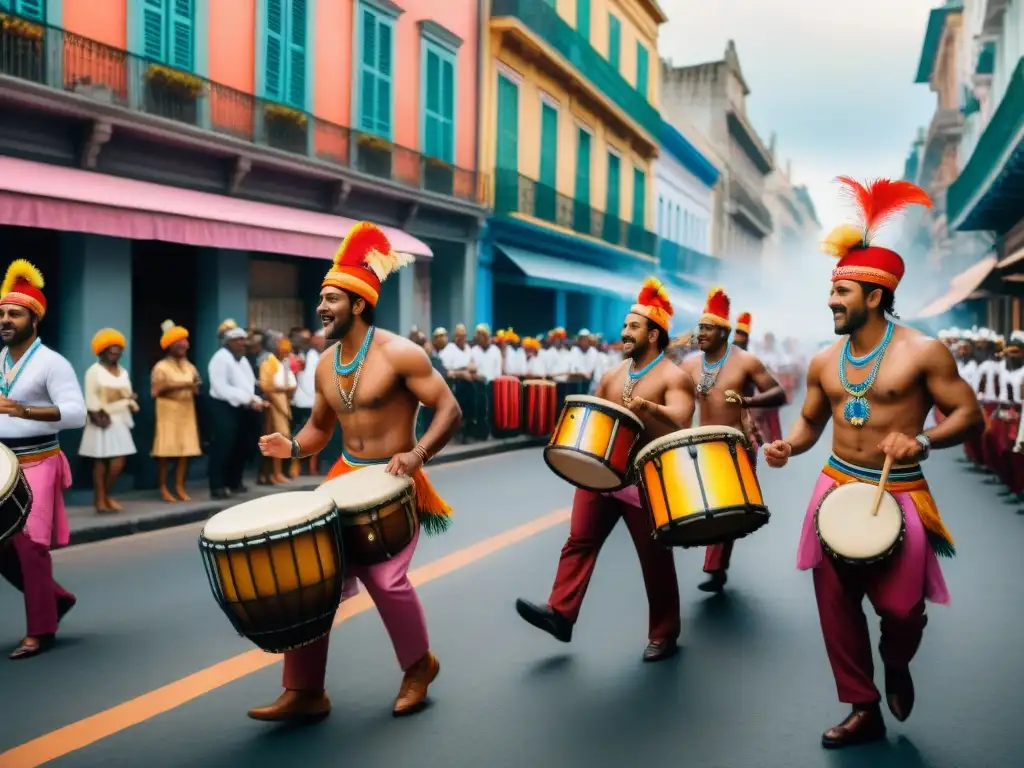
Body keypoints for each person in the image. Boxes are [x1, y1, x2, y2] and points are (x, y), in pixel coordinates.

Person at [762, 176, 983, 749]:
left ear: (875, 296)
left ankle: (898, 660)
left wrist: (925, 441)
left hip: (901, 492)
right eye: (832, 293)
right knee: (835, 606)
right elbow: (811, 420)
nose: (832, 302)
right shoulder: (822, 361)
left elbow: (969, 415)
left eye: (842, 294)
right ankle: (863, 707)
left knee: (901, 610)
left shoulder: (922, 352)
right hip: (835, 487)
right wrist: (791, 444)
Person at [254, 221, 462, 720]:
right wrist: (291, 446)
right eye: (321, 300)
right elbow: (319, 432)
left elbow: (449, 410)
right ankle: (305, 690)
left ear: (359, 304)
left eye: (330, 300)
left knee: (385, 580)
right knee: (313, 580)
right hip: (343, 478)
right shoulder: (325, 364)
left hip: (394, 481)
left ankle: (418, 667)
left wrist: (417, 457)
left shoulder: (400, 354)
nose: (320, 308)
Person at [515, 278, 696, 662]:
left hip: (643, 482)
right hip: (600, 476)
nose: (624, 332)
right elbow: (592, 418)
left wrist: (651, 409)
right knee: (579, 540)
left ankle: (665, 632)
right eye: (626, 325)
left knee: (655, 560)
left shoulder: (673, 376)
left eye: (633, 326)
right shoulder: (613, 375)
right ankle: (561, 614)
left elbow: (683, 419)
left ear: (654, 333)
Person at [0, 260, 87, 659]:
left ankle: (41, 629)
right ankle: (56, 598)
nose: (5, 320)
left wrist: (21, 410)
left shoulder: (53, 363)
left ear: (34, 319)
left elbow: (75, 414)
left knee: (30, 545)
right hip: (3, 461)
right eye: (2, 313)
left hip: (39, 460)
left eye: (14, 313)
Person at [680, 288, 787, 593]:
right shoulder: (688, 364)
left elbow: (778, 392)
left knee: (726, 504)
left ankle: (715, 567)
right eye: (699, 327)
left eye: (707, 328)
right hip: (700, 444)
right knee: (707, 503)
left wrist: (746, 402)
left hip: (736, 444)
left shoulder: (746, 362)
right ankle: (713, 557)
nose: (700, 333)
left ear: (724, 332)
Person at [79, 329, 138, 513]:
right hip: (102, 419)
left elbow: (127, 392)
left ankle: (106, 495)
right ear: (102, 351)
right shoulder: (93, 372)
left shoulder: (123, 372)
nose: (115, 353)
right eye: (111, 350)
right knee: (100, 462)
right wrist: (96, 415)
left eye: (118, 350)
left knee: (118, 462)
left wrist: (130, 398)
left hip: (121, 419)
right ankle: (100, 500)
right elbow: (90, 396)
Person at [207, 325, 266, 499]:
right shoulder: (220, 359)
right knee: (223, 446)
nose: (241, 344)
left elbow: (248, 384)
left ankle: (235, 482)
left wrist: (255, 399)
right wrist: (247, 399)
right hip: (223, 407)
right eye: (237, 341)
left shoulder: (242, 359)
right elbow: (221, 388)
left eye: (242, 340)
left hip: (243, 408)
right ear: (228, 343)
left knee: (241, 445)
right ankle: (217, 486)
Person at [150, 319, 202, 502]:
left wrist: (195, 384)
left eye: (184, 343)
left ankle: (179, 487)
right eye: (178, 343)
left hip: (187, 412)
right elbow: (155, 391)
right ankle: (164, 488)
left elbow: (196, 389)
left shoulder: (190, 366)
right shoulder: (161, 367)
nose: (183, 346)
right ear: (169, 346)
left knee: (185, 453)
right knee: (166, 453)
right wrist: (184, 384)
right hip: (168, 413)